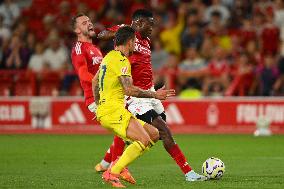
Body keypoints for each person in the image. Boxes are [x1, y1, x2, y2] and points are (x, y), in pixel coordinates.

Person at [97, 9, 206, 182]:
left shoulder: (146, 41)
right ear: (139, 23)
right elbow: (101, 35)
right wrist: (121, 30)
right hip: (137, 97)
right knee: (163, 131)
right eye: (150, 24)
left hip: (150, 92)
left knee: (152, 135)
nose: (152, 29)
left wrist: (154, 90)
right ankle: (189, 173)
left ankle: (112, 164)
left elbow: (144, 67)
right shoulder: (126, 36)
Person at [94, 25, 175, 187]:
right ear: (130, 42)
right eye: (134, 42)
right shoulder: (122, 61)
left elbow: (94, 81)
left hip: (108, 110)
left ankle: (117, 168)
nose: (135, 45)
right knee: (143, 140)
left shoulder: (109, 57)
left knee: (154, 133)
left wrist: (98, 106)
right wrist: (154, 94)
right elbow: (129, 89)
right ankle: (113, 172)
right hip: (113, 111)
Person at [70, 13, 138, 185]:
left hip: (107, 94)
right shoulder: (79, 48)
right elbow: (83, 73)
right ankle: (115, 167)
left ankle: (105, 164)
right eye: (84, 23)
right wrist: (100, 83)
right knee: (126, 126)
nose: (89, 24)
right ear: (77, 30)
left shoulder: (96, 49)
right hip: (96, 97)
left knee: (124, 127)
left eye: (90, 21)